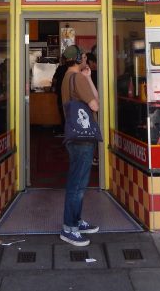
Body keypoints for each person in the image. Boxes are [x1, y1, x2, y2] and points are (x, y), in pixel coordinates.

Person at [59, 44, 100, 246]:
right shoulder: (79, 78)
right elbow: (96, 104)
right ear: (77, 59)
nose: (86, 59)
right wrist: (89, 78)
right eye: (83, 56)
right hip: (82, 139)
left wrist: (88, 77)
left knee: (77, 182)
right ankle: (69, 228)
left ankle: (76, 221)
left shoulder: (67, 78)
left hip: (73, 135)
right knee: (77, 185)